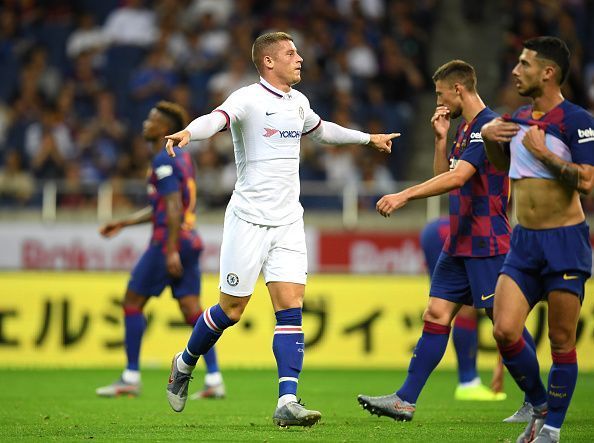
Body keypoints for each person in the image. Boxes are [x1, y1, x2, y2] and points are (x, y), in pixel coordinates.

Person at [163, 31, 399, 427]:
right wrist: (189, 131)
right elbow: (215, 119)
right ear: (268, 62)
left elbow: (323, 131)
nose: (300, 58)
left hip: (289, 221)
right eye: (291, 53)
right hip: (248, 219)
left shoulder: (299, 103)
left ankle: (287, 401)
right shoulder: (247, 99)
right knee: (232, 311)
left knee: (290, 308)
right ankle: (184, 363)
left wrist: (367, 138)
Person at [357, 59, 535, 421]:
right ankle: (405, 399)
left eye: (441, 93)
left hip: (487, 238)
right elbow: (446, 177)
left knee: (505, 325)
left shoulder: (489, 126)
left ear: (459, 89)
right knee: (436, 314)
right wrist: (441, 141)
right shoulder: (464, 128)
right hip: (460, 238)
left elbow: (458, 180)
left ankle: (538, 400)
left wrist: (403, 195)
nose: (439, 102)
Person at [481, 36, 594, 443]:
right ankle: (540, 403)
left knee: (561, 340)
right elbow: (502, 165)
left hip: (565, 241)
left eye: (525, 64)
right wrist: (494, 140)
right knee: (504, 330)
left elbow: (587, 182)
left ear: (547, 72)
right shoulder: (519, 118)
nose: (516, 70)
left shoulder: (576, 120)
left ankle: (552, 430)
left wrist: (545, 154)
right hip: (523, 243)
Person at [96, 101, 225, 400]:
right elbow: (164, 205)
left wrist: (169, 252)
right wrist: (125, 222)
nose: (145, 122)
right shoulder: (181, 158)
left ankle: (130, 377)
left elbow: (172, 207)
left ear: (165, 130)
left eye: (152, 119)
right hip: (189, 240)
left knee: (131, 301)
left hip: (168, 241)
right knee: (193, 311)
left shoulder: (162, 160)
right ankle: (215, 380)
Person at [420, 217, 507, 402]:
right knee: (464, 306)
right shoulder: (507, 239)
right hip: (462, 233)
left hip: (440, 229)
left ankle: (408, 394)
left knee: (445, 307)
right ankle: (467, 381)